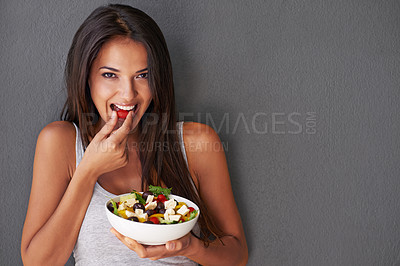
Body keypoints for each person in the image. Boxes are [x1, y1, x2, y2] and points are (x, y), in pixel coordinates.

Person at [21, 4, 248, 265]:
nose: (128, 94)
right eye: (110, 75)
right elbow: (37, 262)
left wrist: (190, 247)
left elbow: (237, 255)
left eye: (142, 75)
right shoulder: (61, 143)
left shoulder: (197, 143)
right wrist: (89, 171)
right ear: (86, 78)